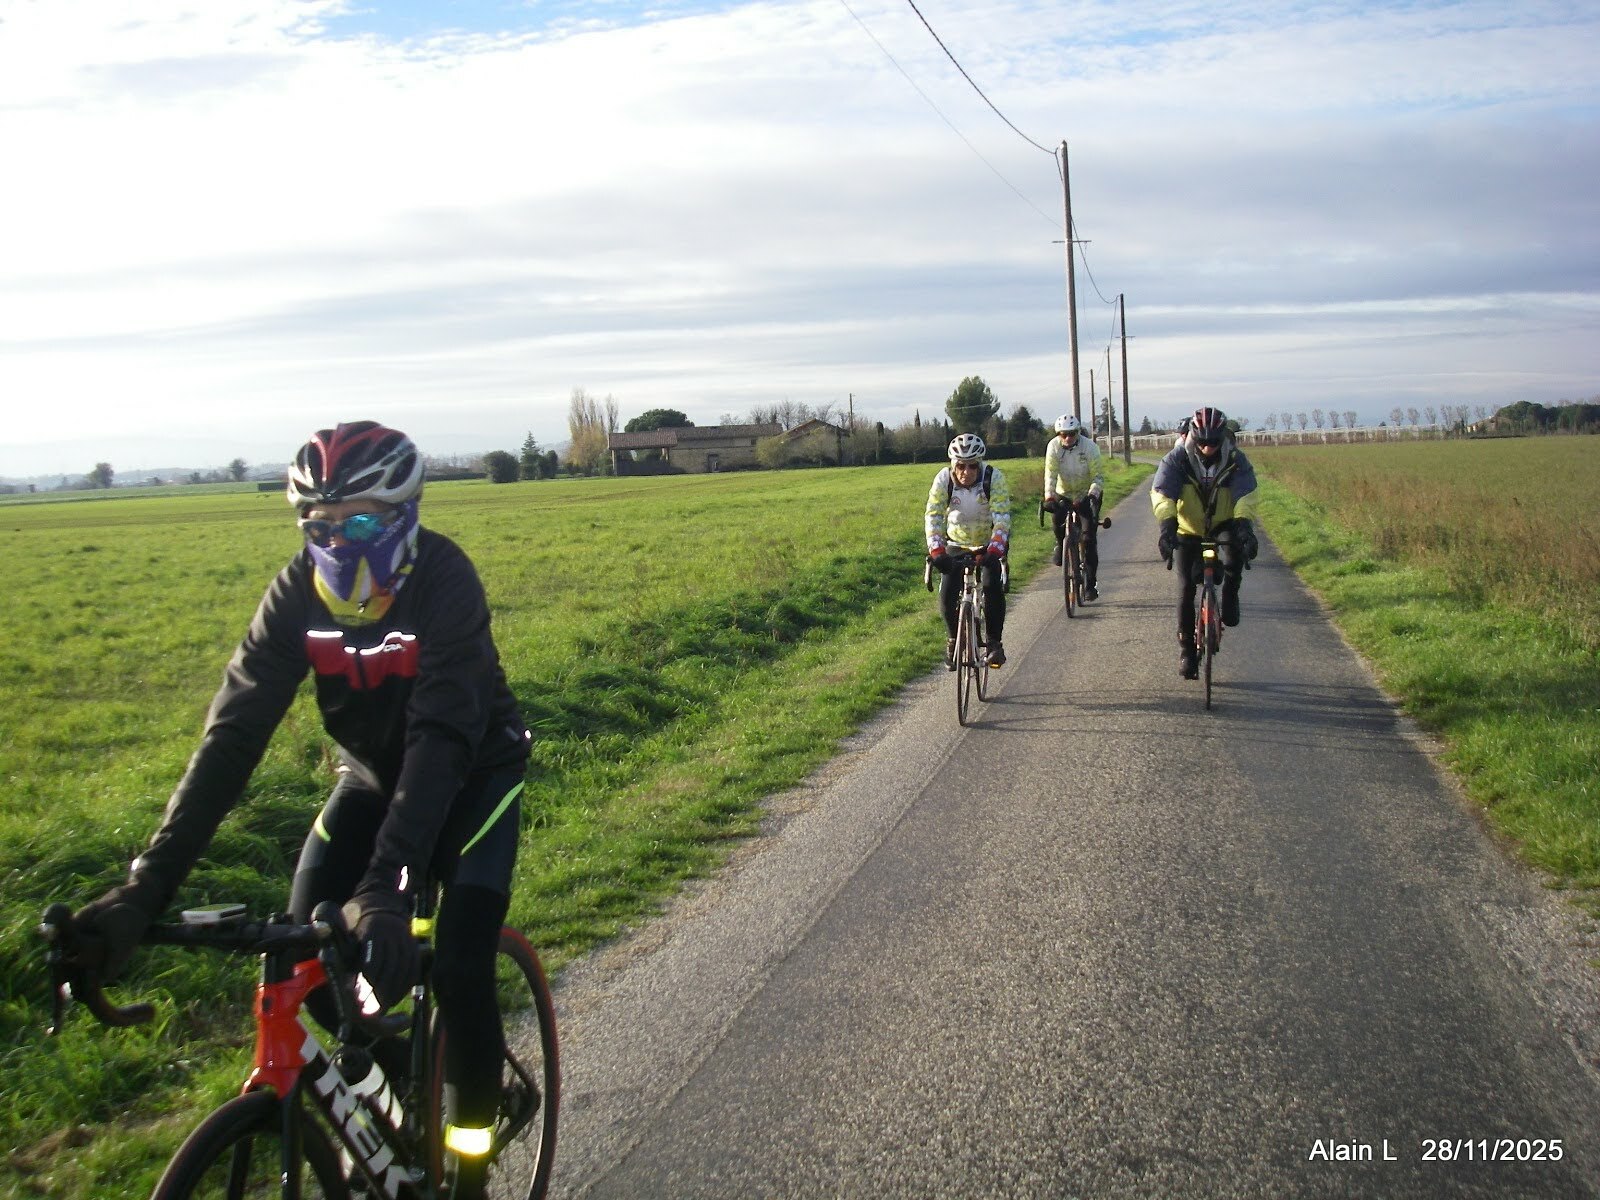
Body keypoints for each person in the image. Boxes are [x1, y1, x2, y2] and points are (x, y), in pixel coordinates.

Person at [72, 421, 531, 1200]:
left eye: (361, 523)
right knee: (303, 958)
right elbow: (231, 739)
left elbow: (443, 738)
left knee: (459, 966)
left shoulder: (443, 578)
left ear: (404, 517)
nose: (339, 543)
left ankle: (473, 1167)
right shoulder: (296, 596)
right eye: (320, 526)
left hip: (475, 775)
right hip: (371, 779)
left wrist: (387, 884)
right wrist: (145, 888)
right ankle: (403, 1080)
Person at [1150, 406, 1261, 679]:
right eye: (1202, 442)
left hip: (1224, 523)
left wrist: (1244, 526)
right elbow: (1162, 494)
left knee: (1235, 558)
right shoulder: (1176, 459)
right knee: (1186, 588)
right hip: (1188, 528)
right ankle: (1187, 651)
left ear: (1223, 438)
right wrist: (1167, 526)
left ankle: (1230, 595)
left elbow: (1246, 494)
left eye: (1214, 442)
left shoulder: (1236, 460)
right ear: (1193, 437)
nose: (1208, 448)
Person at [926, 433, 1012, 667]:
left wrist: (995, 550)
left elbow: (1002, 517)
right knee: (947, 592)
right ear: (953, 464)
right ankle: (954, 639)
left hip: (988, 543)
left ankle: (994, 643)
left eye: (972, 466)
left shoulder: (993, 477)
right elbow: (933, 515)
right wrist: (936, 550)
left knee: (992, 586)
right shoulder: (944, 479)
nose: (966, 471)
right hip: (957, 542)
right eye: (961, 466)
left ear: (980, 464)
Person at [1042, 414, 1105, 599]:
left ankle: (1090, 584)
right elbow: (1050, 474)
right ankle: (1060, 544)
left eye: (1071, 434)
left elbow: (1097, 476)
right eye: (1063, 434)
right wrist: (1049, 496)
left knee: (1089, 538)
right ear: (1058, 435)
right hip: (1064, 493)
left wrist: (1092, 494)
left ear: (1078, 432)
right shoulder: (1053, 447)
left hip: (1087, 493)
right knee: (1057, 519)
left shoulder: (1090, 447)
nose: (1068, 438)